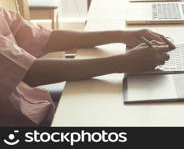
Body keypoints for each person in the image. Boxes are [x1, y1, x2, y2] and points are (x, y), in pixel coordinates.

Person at [0, 7, 174, 126]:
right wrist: (124, 61)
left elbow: (46, 37)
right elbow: (33, 73)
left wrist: (122, 35)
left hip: (38, 107)